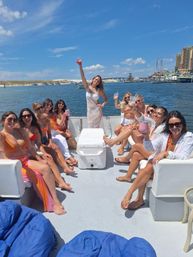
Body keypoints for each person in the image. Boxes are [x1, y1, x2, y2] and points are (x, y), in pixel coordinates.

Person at [121, 111, 193, 210]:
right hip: (161, 169)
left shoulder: (188, 137)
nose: (174, 127)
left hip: (176, 170)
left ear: (183, 124)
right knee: (147, 165)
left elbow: (184, 156)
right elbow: (150, 148)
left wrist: (166, 153)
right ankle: (137, 198)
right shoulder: (165, 136)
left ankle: (131, 195)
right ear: (168, 126)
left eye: (177, 124)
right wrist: (146, 136)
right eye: (171, 125)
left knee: (149, 165)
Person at [0, 111, 65, 215]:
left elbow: (30, 147)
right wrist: (8, 171)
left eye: (14, 119)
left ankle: (55, 199)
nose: (12, 121)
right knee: (37, 174)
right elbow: (2, 154)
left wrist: (39, 158)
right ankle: (52, 204)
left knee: (46, 167)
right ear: (3, 121)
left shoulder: (20, 131)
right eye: (9, 119)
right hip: (15, 166)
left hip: (25, 160)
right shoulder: (2, 135)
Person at [19, 108, 72, 191]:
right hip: (27, 154)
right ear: (21, 118)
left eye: (28, 115)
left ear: (31, 116)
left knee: (49, 158)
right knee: (46, 162)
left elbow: (39, 144)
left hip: (35, 151)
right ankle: (59, 182)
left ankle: (61, 182)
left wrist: (44, 154)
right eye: (24, 116)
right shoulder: (20, 129)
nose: (26, 118)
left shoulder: (35, 128)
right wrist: (39, 156)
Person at [116, 106, 168, 182]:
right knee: (136, 154)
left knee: (136, 146)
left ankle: (126, 158)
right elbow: (142, 118)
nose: (155, 114)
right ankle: (128, 176)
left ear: (164, 117)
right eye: (155, 112)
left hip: (157, 154)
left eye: (159, 114)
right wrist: (135, 110)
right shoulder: (154, 123)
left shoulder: (164, 128)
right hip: (151, 149)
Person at [43, 98, 77, 166]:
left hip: (53, 131)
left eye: (50, 105)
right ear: (44, 105)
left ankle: (68, 156)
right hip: (45, 133)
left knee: (62, 138)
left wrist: (64, 118)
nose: (49, 107)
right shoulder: (41, 114)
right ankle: (66, 159)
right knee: (58, 140)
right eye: (47, 105)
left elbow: (56, 126)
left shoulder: (52, 114)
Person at [76, 58, 108, 128]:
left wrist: (102, 105)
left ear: (99, 83)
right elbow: (83, 77)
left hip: (97, 111)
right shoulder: (87, 87)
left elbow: (106, 100)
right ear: (93, 79)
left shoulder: (99, 90)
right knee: (90, 128)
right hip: (90, 112)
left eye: (98, 81)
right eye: (96, 79)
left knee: (97, 129)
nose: (96, 81)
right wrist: (80, 66)